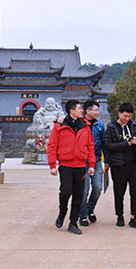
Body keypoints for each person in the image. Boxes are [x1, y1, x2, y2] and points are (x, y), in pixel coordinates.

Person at [47, 100, 96, 234]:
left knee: (78, 195)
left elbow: (90, 147)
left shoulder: (85, 126)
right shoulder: (59, 126)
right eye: (80, 108)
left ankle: (73, 223)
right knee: (66, 191)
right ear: (72, 111)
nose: (82, 110)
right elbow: (52, 146)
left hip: (81, 165)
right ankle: (62, 212)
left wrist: (91, 164)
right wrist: (52, 165)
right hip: (65, 165)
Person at [101, 102, 136, 229]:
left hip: (134, 164)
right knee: (119, 192)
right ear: (119, 113)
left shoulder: (134, 126)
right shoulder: (111, 127)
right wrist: (126, 144)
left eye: (129, 116)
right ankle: (119, 215)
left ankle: (134, 216)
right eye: (125, 116)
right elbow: (108, 146)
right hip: (119, 165)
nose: (127, 119)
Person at [79, 99, 105, 227]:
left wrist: (108, 160)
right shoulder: (80, 123)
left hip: (96, 160)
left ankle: (90, 208)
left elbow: (104, 143)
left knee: (98, 187)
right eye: (95, 110)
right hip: (82, 161)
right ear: (87, 111)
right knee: (84, 190)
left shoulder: (100, 125)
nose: (97, 112)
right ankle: (83, 215)